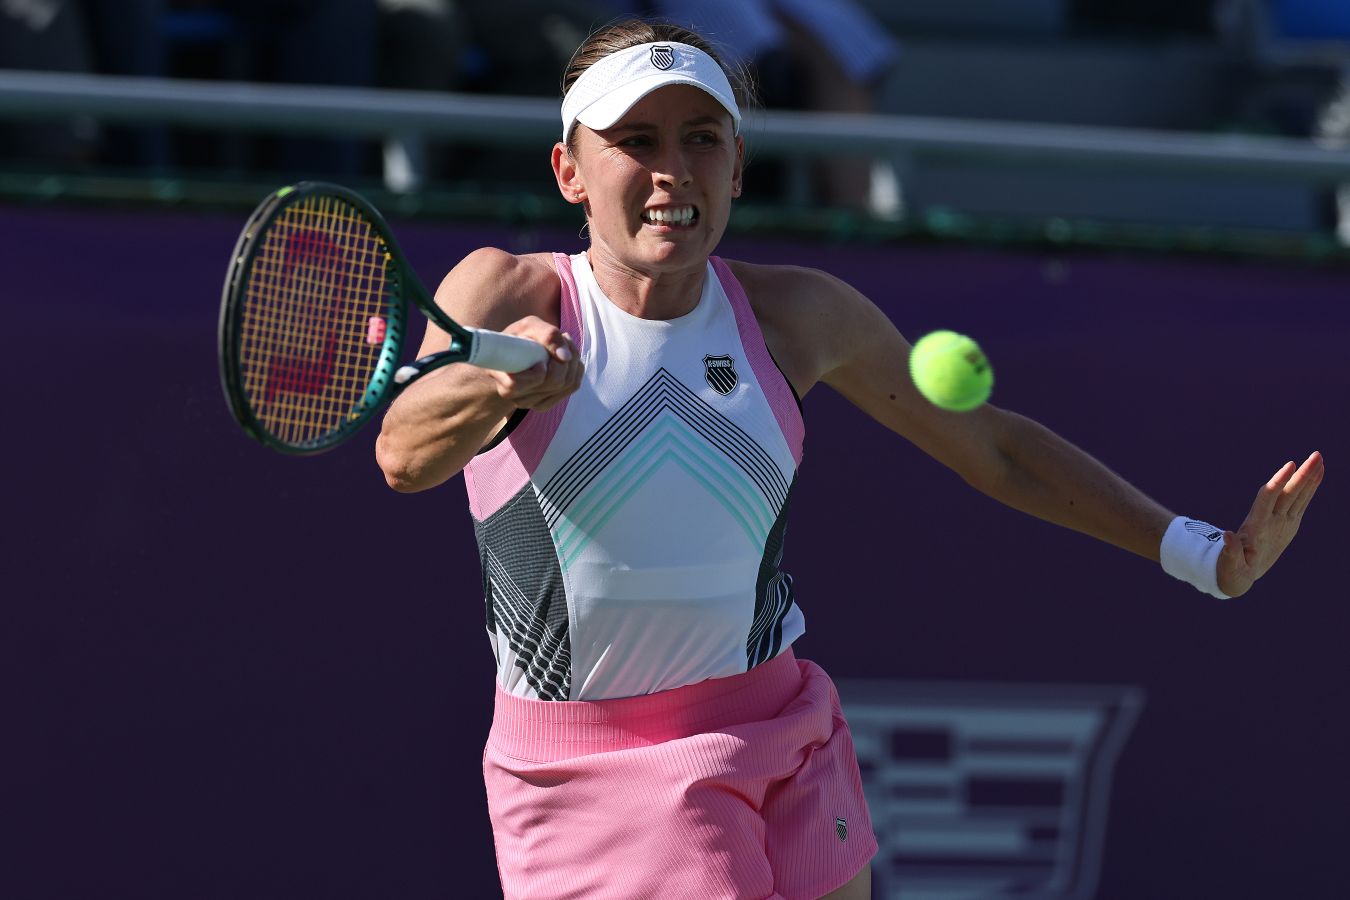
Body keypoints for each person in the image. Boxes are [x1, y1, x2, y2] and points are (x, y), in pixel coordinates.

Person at [374, 18, 1324, 900]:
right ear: (570, 171)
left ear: (737, 168)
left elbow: (994, 450)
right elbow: (404, 453)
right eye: (636, 141)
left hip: (781, 719)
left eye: (702, 139)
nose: (673, 171)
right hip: (595, 769)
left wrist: (1202, 555)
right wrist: (498, 385)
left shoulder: (800, 315)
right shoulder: (506, 292)